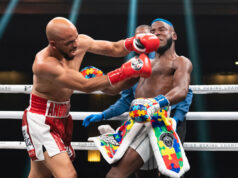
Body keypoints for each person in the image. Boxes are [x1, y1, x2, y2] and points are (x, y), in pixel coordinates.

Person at [21, 17, 160, 178]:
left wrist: (134, 43)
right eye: (68, 43)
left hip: (62, 117)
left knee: (39, 175)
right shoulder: (44, 64)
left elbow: (114, 48)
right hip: (41, 121)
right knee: (68, 175)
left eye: (75, 38)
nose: (75, 44)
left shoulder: (79, 42)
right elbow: (84, 86)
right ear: (53, 44)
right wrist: (123, 71)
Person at [86, 18, 193, 178]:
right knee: (144, 176)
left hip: (156, 123)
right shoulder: (143, 63)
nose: (156, 33)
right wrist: (97, 80)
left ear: (174, 35)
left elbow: (181, 90)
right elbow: (114, 89)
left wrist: (154, 103)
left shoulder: (180, 62)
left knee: (115, 175)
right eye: (152, 31)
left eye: (161, 29)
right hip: (135, 123)